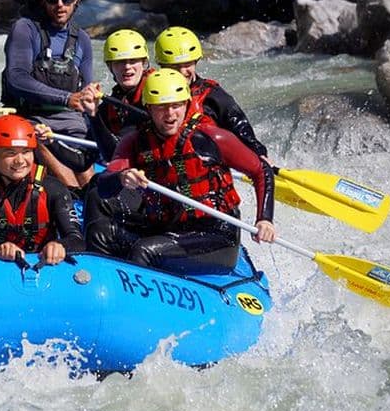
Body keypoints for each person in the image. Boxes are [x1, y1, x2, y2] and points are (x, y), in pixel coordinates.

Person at [87, 69, 276, 274]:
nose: (170, 114)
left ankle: (137, 301)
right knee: (101, 232)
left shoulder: (212, 138)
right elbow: (105, 185)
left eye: (176, 106)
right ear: (148, 108)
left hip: (215, 236)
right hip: (167, 228)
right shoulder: (134, 141)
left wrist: (264, 218)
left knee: (145, 251)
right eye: (162, 107)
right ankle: (97, 283)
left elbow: (261, 170)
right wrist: (121, 177)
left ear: (186, 105)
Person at [0, 0, 100, 189]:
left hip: (72, 123)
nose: (60, 5)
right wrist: (66, 98)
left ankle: (93, 199)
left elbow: (86, 88)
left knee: (88, 178)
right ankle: (73, 194)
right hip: (30, 118)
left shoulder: (82, 39)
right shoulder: (25, 29)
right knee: (40, 137)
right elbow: (16, 77)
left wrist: (90, 97)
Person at [0, 114, 84, 266]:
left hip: (43, 265)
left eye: (26, 152)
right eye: (10, 153)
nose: (20, 161)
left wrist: (61, 246)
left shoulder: (53, 188)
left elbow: (76, 239)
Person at [154, 26, 268, 160]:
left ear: (195, 61)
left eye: (187, 65)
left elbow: (240, 126)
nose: (182, 72)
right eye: (174, 67)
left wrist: (258, 153)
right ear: (162, 66)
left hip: (206, 164)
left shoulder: (213, 95)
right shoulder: (152, 93)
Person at [86, 28, 154, 163]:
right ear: (110, 67)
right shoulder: (110, 105)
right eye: (120, 62)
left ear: (144, 63)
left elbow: (115, 154)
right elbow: (82, 161)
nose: (127, 67)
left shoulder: (158, 93)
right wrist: (49, 142)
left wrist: (94, 116)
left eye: (133, 60)